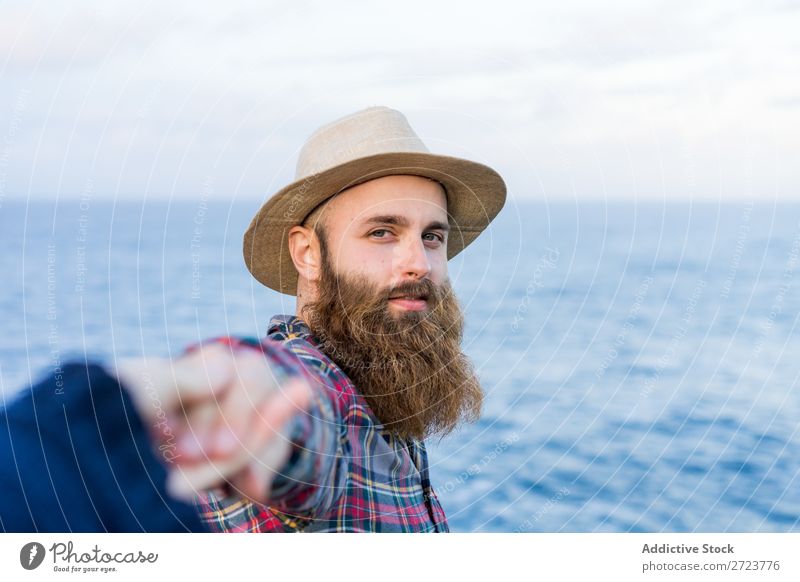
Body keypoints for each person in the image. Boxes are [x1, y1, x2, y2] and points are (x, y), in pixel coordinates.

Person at [0, 106, 506, 533]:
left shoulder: (387, 386)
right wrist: (231, 403)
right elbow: (292, 411)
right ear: (308, 252)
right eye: (381, 233)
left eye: (432, 237)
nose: (418, 261)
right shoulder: (316, 393)